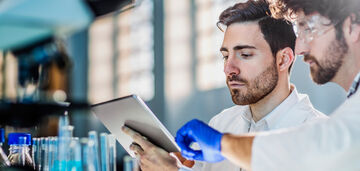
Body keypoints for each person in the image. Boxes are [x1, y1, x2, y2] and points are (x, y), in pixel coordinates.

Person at [122, 0, 327, 170]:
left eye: (245, 55)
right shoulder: (221, 123)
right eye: (225, 56)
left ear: (283, 60)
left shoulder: (320, 136)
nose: (229, 69)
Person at [176, 0, 360, 170]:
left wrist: (222, 144)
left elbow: (314, 149)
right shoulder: (221, 123)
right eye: (225, 56)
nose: (300, 48)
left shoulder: (319, 128)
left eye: (309, 29)